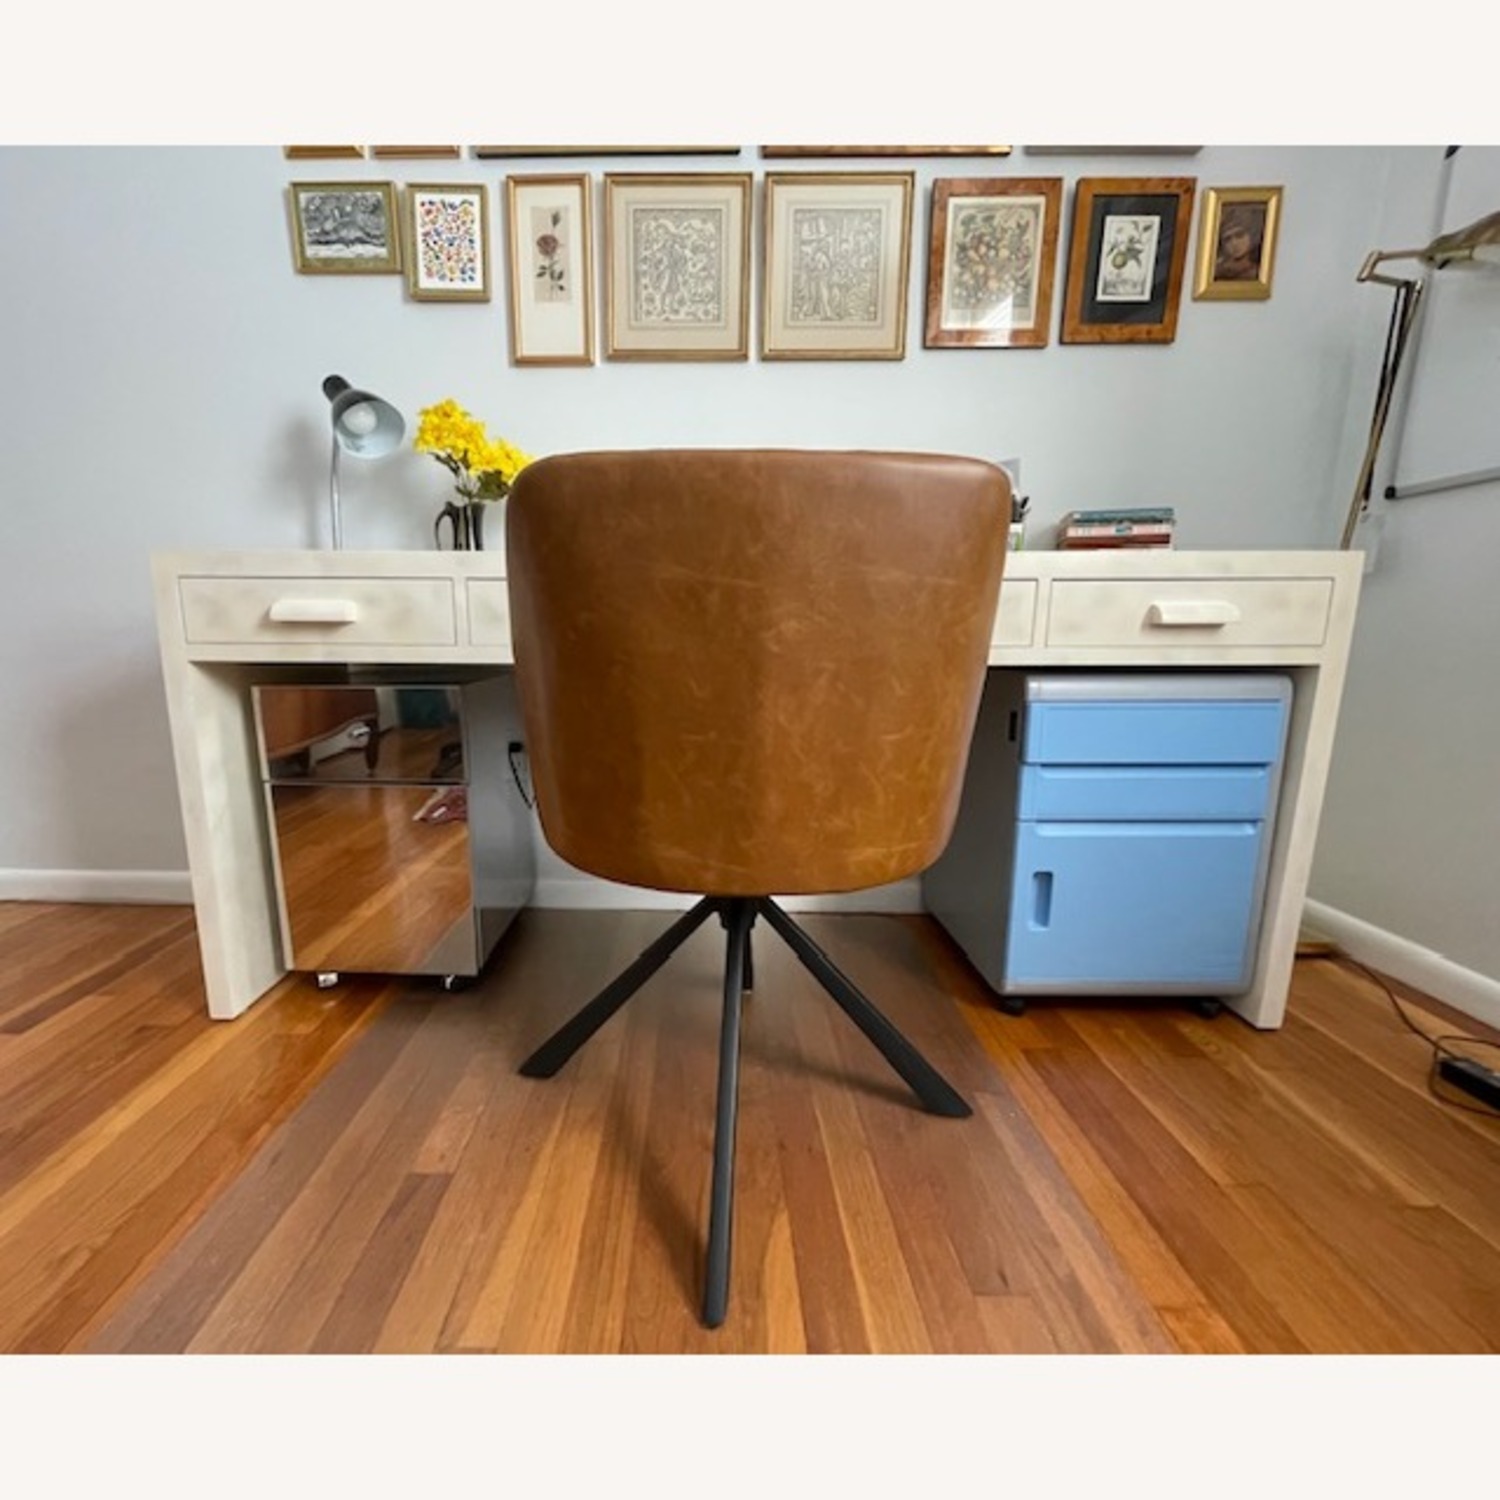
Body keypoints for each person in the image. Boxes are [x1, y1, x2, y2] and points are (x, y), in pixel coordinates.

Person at [1215, 207, 1263, 281]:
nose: (1234, 244)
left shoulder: (1260, 271)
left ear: (1251, 236)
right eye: (1227, 239)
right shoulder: (1218, 272)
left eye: (1239, 236)